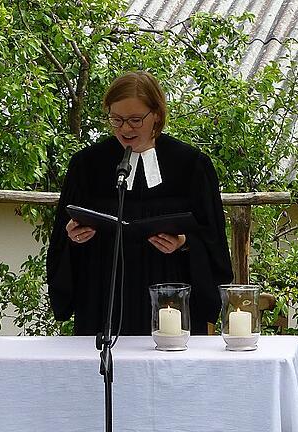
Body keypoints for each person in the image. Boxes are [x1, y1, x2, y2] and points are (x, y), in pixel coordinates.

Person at [46, 71, 233, 336]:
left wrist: (185, 243)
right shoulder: (87, 165)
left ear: (156, 114)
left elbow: (212, 239)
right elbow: (62, 240)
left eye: (135, 120)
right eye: (117, 119)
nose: (125, 129)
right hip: (104, 297)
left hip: (170, 295)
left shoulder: (191, 165)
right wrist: (73, 238)